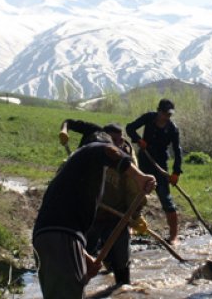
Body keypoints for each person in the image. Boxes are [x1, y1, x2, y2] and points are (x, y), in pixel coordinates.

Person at [32, 136, 156, 298]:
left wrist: (84, 255)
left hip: (51, 239)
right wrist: (140, 177)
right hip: (60, 239)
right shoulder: (93, 151)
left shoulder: (74, 181)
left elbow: (62, 219)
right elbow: (107, 150)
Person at [58, 120, 148, 286]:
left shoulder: (126, 160)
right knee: (83, 260)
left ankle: (123, 291)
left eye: (120, 141)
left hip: (118, 217)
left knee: (122, 261)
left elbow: (135, 189)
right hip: (91, 216)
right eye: (113, 141)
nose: (117, 146)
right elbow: (65, 185)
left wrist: (136, 215)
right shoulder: (89, 156)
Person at [125, 98, 184, 245]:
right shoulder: (149, 117)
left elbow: (177, 151)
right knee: (137, 194)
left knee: (165, 198)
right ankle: (128, 228)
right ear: (159, 111)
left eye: (169, 114)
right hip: (145, 160)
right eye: (164, 113)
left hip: (161, 165)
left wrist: (176, 172)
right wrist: (139, 140)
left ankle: (174, 235)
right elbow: (130, 128)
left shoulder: (172, 129)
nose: (167, 117)